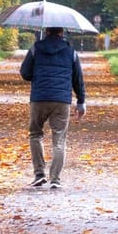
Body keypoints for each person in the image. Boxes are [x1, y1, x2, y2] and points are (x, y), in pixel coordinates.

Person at [20, 26, 86, 188]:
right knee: (59, 139)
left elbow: (25, 73)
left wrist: (38, 74)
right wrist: (81, 102)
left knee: (35, 134)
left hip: (39, 98)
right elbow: (78, 79)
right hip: (62, 100)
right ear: (62, 32)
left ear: (46, 31)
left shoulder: (36, 48)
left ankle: (39, 174)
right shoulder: (71, 52)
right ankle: (55, 179)